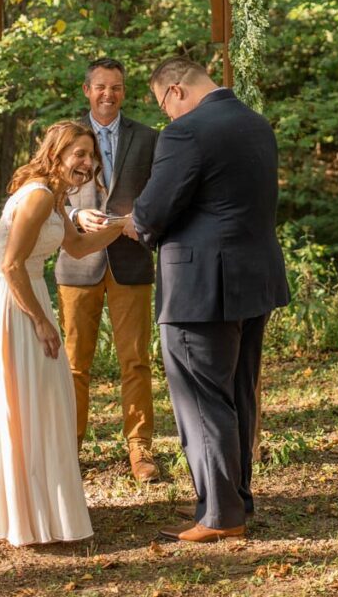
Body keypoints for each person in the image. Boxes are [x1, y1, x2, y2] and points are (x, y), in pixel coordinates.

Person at [126, 57, 290, 543]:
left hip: (199, 287)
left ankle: (220, 516)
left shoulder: (187, 133)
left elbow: (154, 210)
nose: (167, 118)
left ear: (176, 91)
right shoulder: (256, 124)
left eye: (163, 106)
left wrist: (132, 223)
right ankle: (237, 499)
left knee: (201, 398)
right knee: (238, 392)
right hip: (253, 281)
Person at [0, 121, 125, 547]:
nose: (87, 163)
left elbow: (77, 247)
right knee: (27, 403)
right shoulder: (39, 195)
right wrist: (40, 320)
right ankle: (27, 515)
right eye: (78, 154)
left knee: (40, 403)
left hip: (30, 294)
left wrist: (128, 225)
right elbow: (10, 265)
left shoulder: (55, 197)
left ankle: (40, 511)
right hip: (15, 303)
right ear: (56, 153)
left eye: (90, 155)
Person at [55, 58, 160, 482]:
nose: (108, 94)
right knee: (75, 363)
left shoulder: (149, 138)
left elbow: (160, 190)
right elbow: (48, 189)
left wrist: (144, 218)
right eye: (100, 87)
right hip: (78, 260)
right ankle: (69, 446)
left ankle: (140, 450)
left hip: (130, 258)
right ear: (87, 90)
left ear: (124, 91)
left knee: (135, 361)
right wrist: (75, 218)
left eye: (116, 87)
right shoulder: (67, 137)